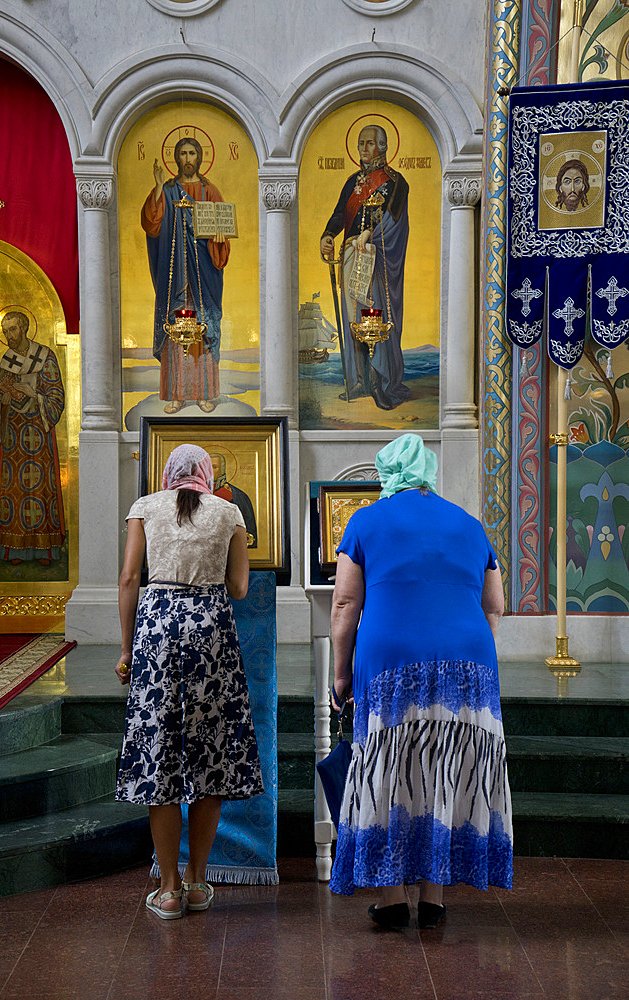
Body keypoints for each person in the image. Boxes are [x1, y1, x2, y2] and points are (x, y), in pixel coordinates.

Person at [328, 433, 512, 929]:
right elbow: (494, 605)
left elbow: (345, 604)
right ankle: (433, 895)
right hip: (470, 665)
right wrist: (465, 642)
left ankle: (390, 901)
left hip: (391, 662)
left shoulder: (364, 521)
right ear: (428, 471)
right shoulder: (471, 525)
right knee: (448, 768)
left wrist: (340, 677)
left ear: (388, 473)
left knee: (393, 769)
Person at [115, 443, 263, 919]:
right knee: (210, 753)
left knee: (160, 754)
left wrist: (125, 650)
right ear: (206, 474)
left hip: (157, 628)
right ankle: (199, 881)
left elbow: (127, 580)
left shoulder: (144, 507)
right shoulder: (229, 511)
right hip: (210, 631)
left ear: (168, 473)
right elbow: (239, 588)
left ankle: (170, 890)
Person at [320, 125, 411, 411]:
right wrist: (327, 235)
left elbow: (395, 221)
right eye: (360, 143)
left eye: (370, 143)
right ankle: (360, 381)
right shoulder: (351, 182)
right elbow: (339, 215)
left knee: (375, 316)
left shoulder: (396, 183)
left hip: (378, 258)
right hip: (351, 257)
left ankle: (381, 383)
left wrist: (370, 234)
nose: (363, 148)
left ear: (383, 147)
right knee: (353, 318)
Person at [141, 137, 230, 414]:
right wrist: (157, 186)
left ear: (199, 157)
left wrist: (219, 238)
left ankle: (203, 394)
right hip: (173, 277)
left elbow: (222, 226)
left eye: (192, 153)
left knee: (202, 332)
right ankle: (177, 395)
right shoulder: (167, 190)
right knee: (175, 332)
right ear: (176, 158)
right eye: (183, 153)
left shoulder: (208, 190)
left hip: (202, 277)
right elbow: (152, 224)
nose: (188, 158)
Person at [0, 310, 65, 566]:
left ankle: (45, 549)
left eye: (12, 329)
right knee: (14, 488)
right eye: (5, 331)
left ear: (24, 328)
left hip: (39, 433)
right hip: (13, 436)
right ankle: (14, 549)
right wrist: (2, 399)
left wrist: (34, 393)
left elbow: (56, 395)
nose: (9, 336)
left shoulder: (45, 357)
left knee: (42, 487)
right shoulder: (7, 360)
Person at [211, 451, 258, 548]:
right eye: (207, 467)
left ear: (222, 469)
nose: (210, 471)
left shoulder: (237, 496)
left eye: (214, 467)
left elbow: (248, 530)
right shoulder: (195, 494)